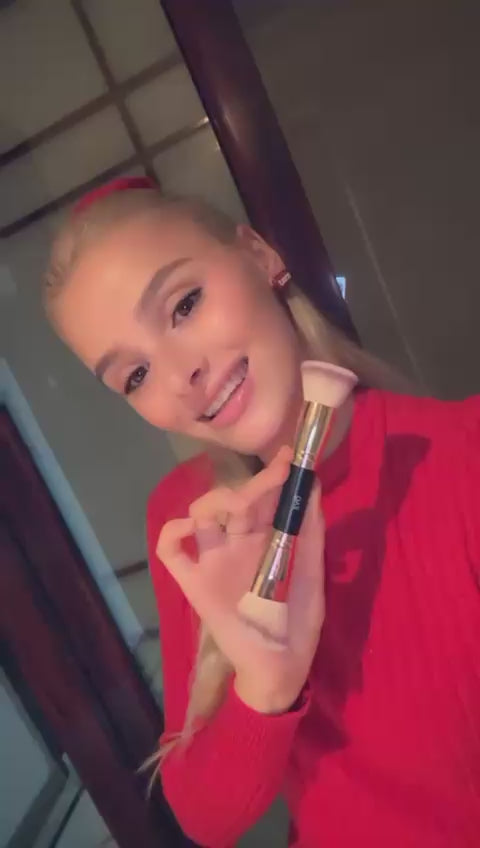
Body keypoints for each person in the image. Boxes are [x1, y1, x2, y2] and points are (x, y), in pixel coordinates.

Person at [44, 177, 480, 848]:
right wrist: (264, 687)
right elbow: (207, 818)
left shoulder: (461, 456)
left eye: (184, 304)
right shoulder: (191, 523)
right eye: (135, 376)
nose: (180, 375)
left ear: (259, 254)